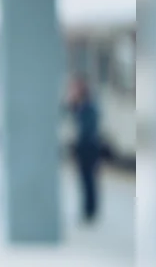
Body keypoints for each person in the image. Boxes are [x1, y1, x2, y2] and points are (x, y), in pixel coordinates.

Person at [65, 74, 104, 225]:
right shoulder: (80, 105)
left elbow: (87, 128)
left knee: (88, 179)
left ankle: (90, 211)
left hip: (89, 146)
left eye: (75, 88)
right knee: (85, 179)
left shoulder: (89, 106)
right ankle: (87, 210)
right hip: (83, 146)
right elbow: (65, 111)